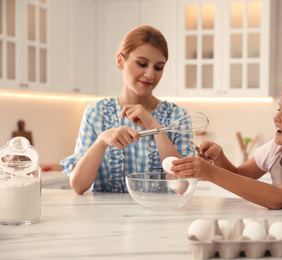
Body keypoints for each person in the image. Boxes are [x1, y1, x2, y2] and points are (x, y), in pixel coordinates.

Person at [171, 79, 282, 209]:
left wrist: (211, 173)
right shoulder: (277, 149)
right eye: (279, 109)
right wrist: (219, 158)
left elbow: (278, 198)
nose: (276, 117)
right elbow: (239, 177)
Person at [61, 25, 194, 194]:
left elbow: (182, 187)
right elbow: (78, 186)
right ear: (120, 61)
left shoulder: (178, 117)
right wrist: (101, 141)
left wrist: (156, 128)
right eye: (142, 64)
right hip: (104, 219)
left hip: (160, 218)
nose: (150, 74)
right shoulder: (96, 113)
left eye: (158, 67)